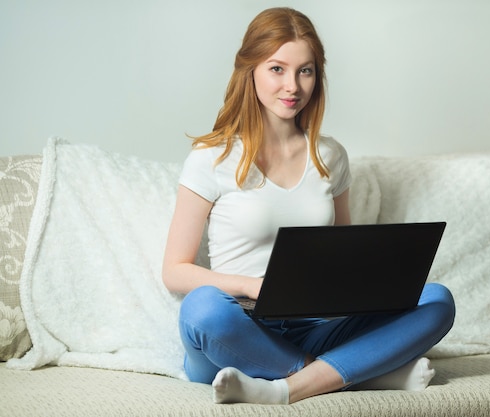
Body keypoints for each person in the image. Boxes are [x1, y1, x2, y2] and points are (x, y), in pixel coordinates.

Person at [162, 7, 455, 405]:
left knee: (437, 300)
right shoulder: (211, 157)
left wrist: (377, 286)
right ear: (250, 70)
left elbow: (344, 255)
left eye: (306, 70)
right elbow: (175, 271)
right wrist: (252, 287)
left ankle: (286, 387)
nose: (293, 86)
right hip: (238, 327)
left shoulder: (330, 156)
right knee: (202, 310)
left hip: (316, 324)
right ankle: (358, 374)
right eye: (277, 69)